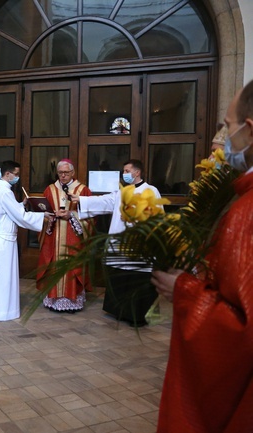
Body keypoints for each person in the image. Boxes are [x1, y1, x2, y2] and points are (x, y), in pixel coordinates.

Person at [150, 84, 253, 432]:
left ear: (249, 128)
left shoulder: (248, 210)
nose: (225, 141)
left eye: (229, 126)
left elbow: (241, 326)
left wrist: (185, 287)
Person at [72, 159, 161, 325]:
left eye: (127, 171)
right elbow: (106, 201)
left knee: (136, 278)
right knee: (120, 276)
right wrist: (82, 200)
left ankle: (137, 316)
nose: (124, 174)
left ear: (137, 172)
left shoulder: (151, 191)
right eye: (124, 171)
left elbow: (156, 216)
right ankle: (120, 311)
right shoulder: (122, 191)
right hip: (120, 243)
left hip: (138, 244)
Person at [0, 161, 51, 321]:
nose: (17, 177)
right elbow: (20, 216)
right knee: (3, 277)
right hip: (4, 240)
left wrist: (21, 204)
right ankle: (3, 311)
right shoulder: (5, 192)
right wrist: (41, 216)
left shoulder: (1, 189)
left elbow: (9, 211)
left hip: (2, 238)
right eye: (16, 174)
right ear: (8, 174)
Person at [37, 159, 93, 313]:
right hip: (53, 237)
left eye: (66, 173)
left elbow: (90, 216)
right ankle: (53, 300)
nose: (63, 175)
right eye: (60, 173)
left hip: (74, 237)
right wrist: (50, 215)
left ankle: (72, 301)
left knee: (72, 266)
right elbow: (43, 212)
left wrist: (71, 215)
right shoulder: (49, 190)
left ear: (73, 173)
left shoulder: (83, 190)